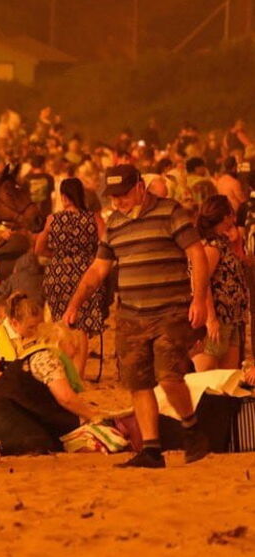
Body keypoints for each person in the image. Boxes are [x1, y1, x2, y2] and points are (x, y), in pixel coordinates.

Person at [62, 164, 210, 468]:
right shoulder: (115, 224)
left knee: (169, 377)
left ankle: (192, 427)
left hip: (170, 310)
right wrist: (75, 303)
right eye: (113, 196)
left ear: (140, 187)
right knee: (138, 383)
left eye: (123, 194)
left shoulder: (171, 213)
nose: (118, 201)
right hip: (130, 315)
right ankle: (152, 449)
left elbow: (196, 253)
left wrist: (199, 300)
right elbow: (98, 269)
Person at [0, 325, 103, 456]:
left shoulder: (35, 355)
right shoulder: (47, 358)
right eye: (71, 343)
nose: (75, 349)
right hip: (2, 416)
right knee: (40, 442)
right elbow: (65, 398)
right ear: (60, 343)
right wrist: (94, 416)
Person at [35, 177, 106, 378]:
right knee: (81, 324)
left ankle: (64, 370)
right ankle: (78, 373)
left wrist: (58, 256)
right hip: (86, 272)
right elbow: (106, 244)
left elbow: (38, 248)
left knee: (63, 322)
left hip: (58, 274)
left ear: (64, 197)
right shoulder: (94, 218)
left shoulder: (52, 219)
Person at [194, 195, 248, 372]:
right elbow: (201, 281)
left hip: (231, 316)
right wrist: (211, 318)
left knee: (228, 373)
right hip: (219, 316)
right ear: (226, 216)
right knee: (208, 366)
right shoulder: (212, 246)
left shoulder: (221, 242)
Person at [0, 292, 45, 385]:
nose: (36, 331)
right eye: (31, 327)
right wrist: (23, 381)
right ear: (15, 323)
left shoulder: (42, 334)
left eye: (39, 326)